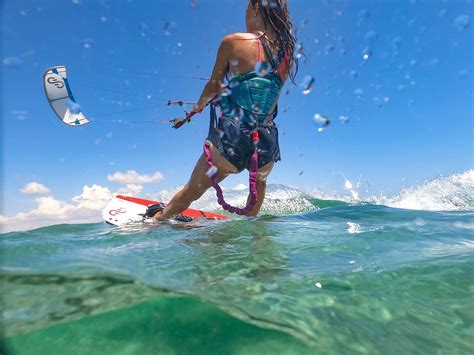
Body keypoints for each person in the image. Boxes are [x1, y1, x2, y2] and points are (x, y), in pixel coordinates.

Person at [151, 0, 298, 221]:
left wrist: (199, 106)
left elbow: (214, 85)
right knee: (258, 186)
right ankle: (257, 239)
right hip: (266, 144)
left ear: (256, 8)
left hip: (233, 139)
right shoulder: (288, 53)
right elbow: (264, 89)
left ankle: (158, 220)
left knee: (192, 190)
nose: (245, 17)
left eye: (247, 11)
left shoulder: (234, 42)